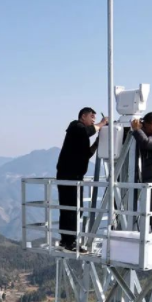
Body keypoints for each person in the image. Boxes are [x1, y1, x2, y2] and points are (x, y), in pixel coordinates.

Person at [56, 107, 109, 251]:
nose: (93, 120)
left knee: (74, 208)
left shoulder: (81, 137)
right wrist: (102, 124)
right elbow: (88, 131)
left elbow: (86, 155)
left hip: (75, 176)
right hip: (68, 175)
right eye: (91, 116)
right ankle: (69, 241)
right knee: (70, 208)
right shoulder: (75, 126)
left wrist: (97, 143)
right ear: (83, 116)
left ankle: (66, 239)